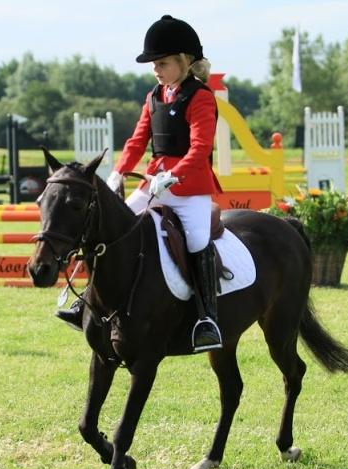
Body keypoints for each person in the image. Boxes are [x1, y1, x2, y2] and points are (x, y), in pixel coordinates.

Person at [56, 14, 223, 352]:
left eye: (161, 63)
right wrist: (118, 171)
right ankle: (87, 301)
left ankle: (208, 318)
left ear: (184, 62)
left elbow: (200, 148)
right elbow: (136, 141)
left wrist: (174, 175)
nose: (156, 70)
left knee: (196, 241)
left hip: (189, 190)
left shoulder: (201, 97)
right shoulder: (154, 96)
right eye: (153, 65)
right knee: (109, 228)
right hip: (152, 184)